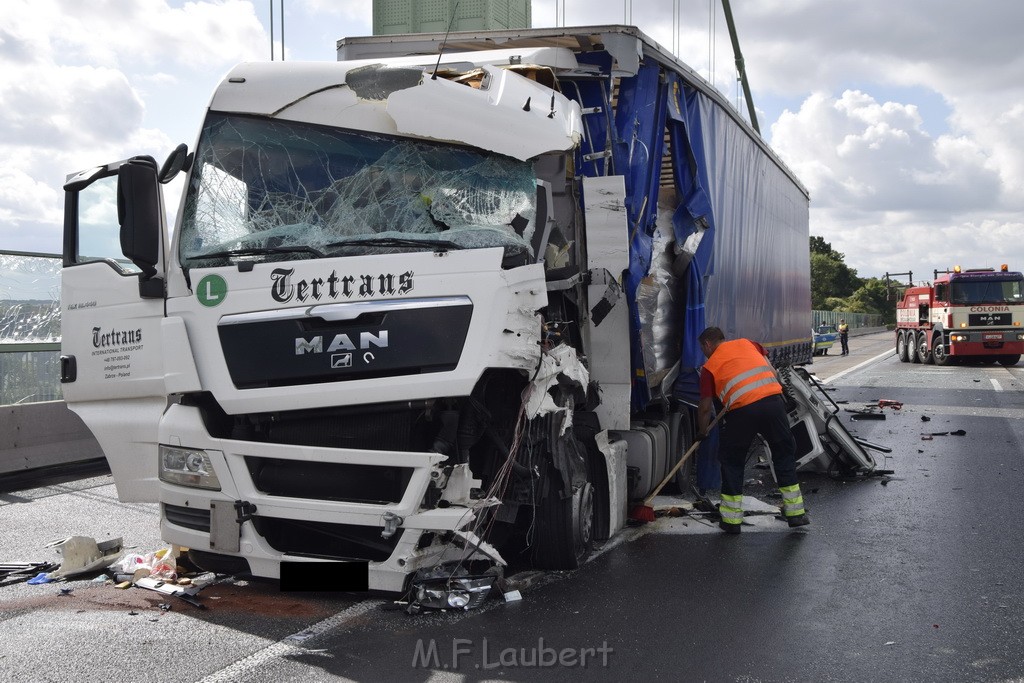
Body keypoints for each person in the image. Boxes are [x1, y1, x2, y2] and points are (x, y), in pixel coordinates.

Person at [695, 326, 809, 533]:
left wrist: (702, 432)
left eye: (702, 348)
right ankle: (796, 515)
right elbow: (772, 372)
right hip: (774, 405)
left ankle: (731, 522)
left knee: (733, 462)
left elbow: (704, 407)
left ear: (707, 344)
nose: (703, 353)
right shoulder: (749, 344)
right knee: (783, 455)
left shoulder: (709, 367)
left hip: (741, 413)